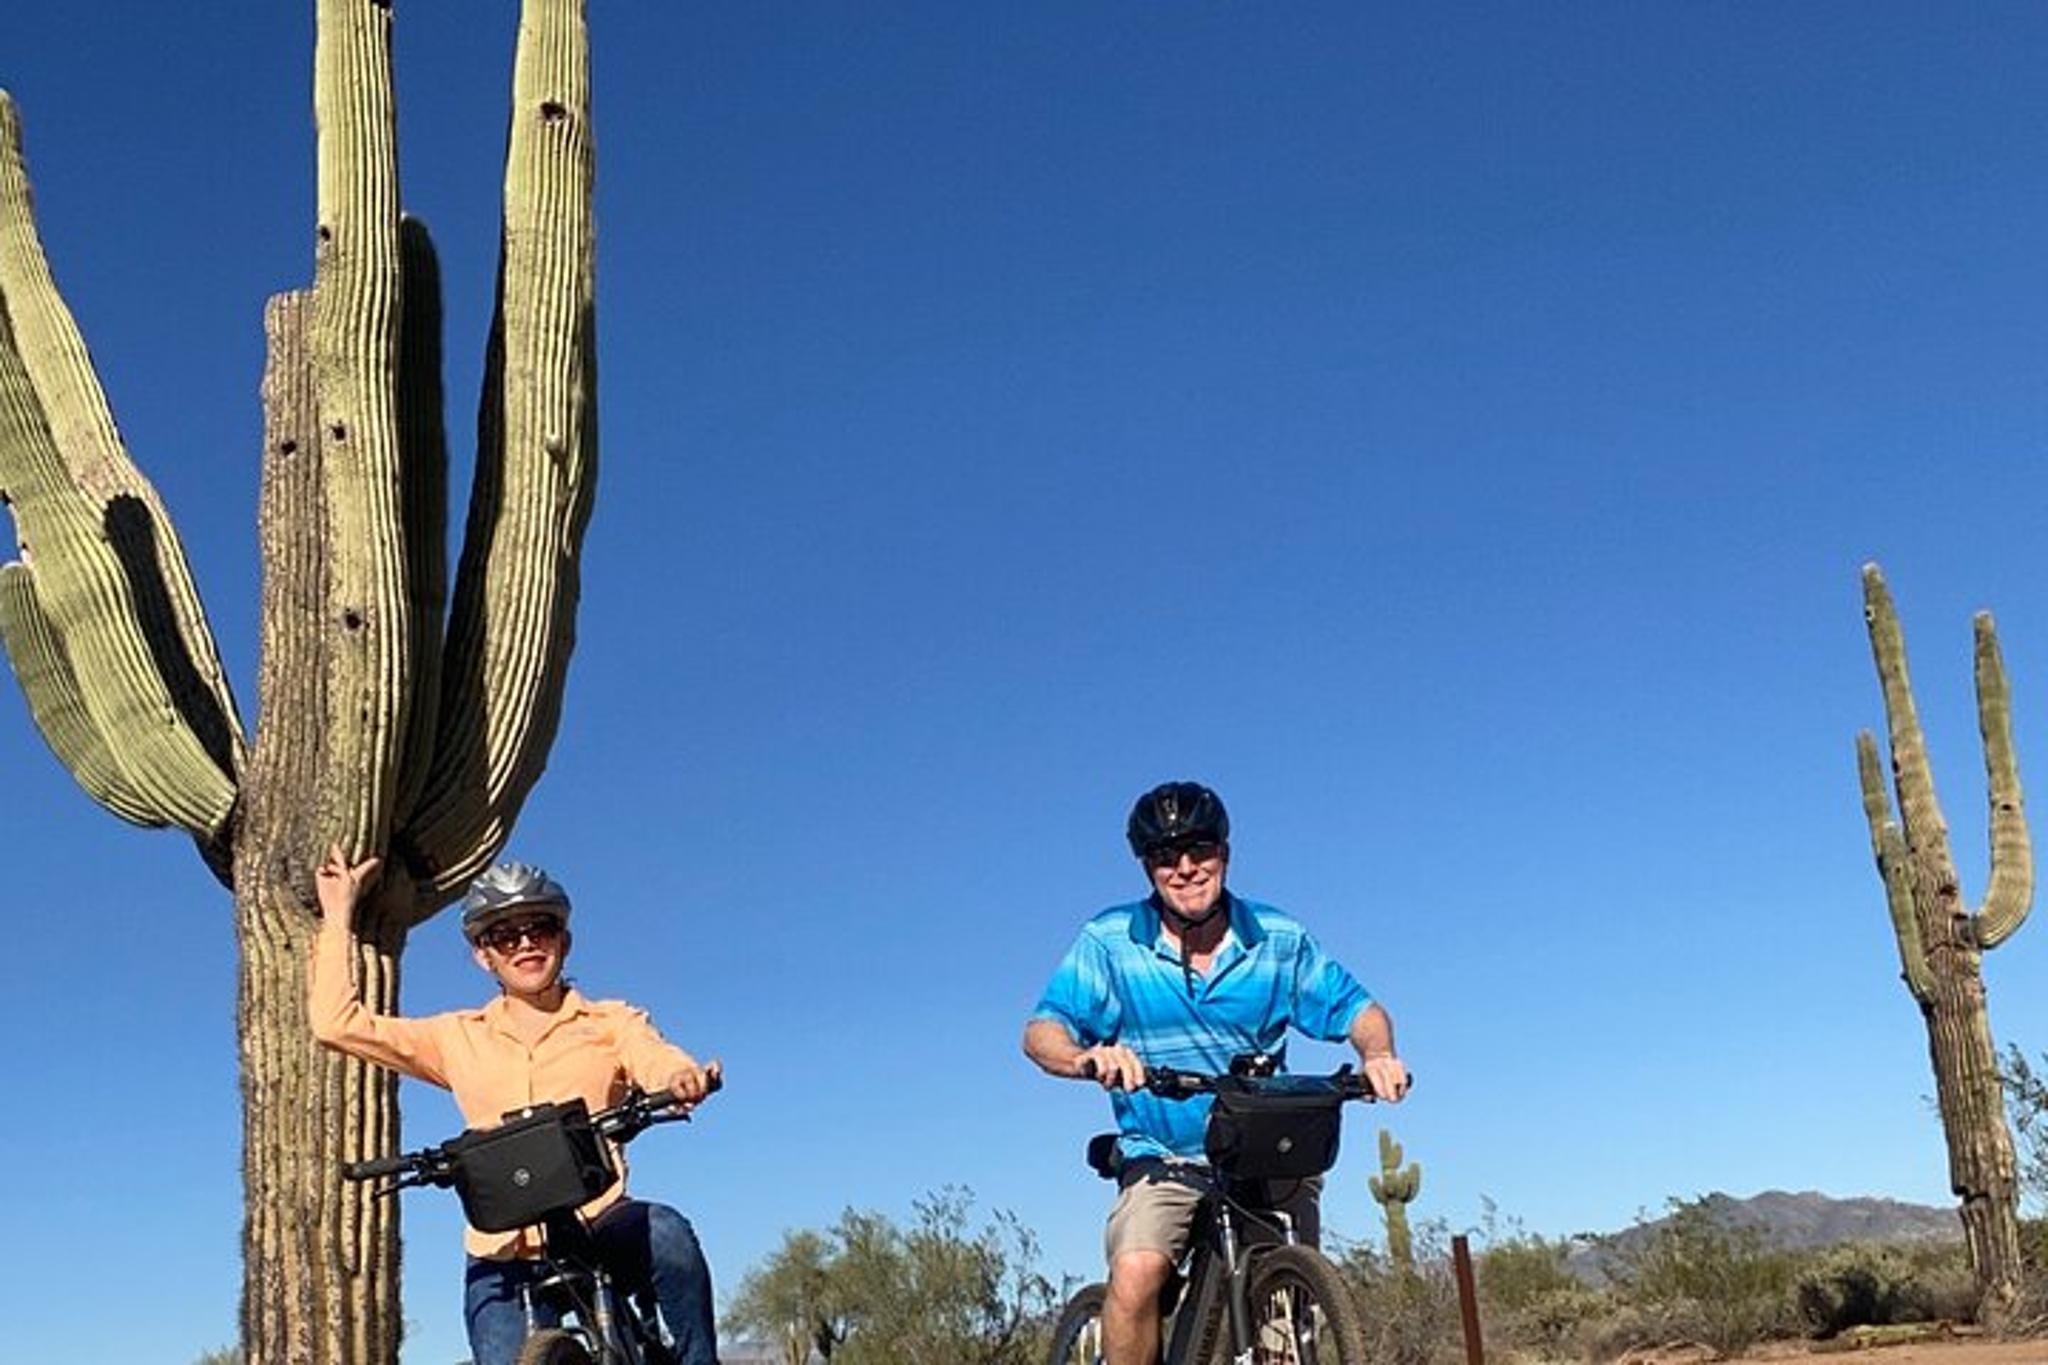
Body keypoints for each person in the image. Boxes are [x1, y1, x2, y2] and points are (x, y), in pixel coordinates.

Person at [1023, 781, 1409, 1365]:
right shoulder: (1111, 941)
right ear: (1147, 868)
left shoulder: (1276, 939)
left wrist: (1377, 1055)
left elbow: (1360, 1010)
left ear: (1224, 852)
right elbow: (1042, 1032)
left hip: (1259, 1147)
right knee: (1137, 1274)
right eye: (1163, 857)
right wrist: (1087, 1058)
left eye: (1199, 850)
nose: (1184, 869)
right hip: (1165, 1153)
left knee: (1287, 1314)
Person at [308, 846, 721, 1365]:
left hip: (599, 1220)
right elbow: (336, 1025)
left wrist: (680, 1077)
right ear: (484, 955)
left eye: (540, 928)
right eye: (504, 935)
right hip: (501, 1245)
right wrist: (339, 912)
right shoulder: (456, 1036)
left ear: (563, 941)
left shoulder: (609, 1023)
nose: (524, 943)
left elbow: (654, 1057)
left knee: (669, 1236)